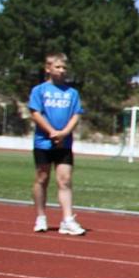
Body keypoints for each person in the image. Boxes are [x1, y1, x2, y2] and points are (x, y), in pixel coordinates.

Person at [29, 52, 86, 236]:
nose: (61, 71)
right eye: (58, 67)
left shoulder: (72, 93)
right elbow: (35, 112)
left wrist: (64, 133)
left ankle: (67, 219)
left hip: (64, 143)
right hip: (43, 142)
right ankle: (40, 216)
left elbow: (76, 114)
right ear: (48, 69)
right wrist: (51, 131)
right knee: (42, 178)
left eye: (64, 68)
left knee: (65, 180)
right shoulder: (39, 90)